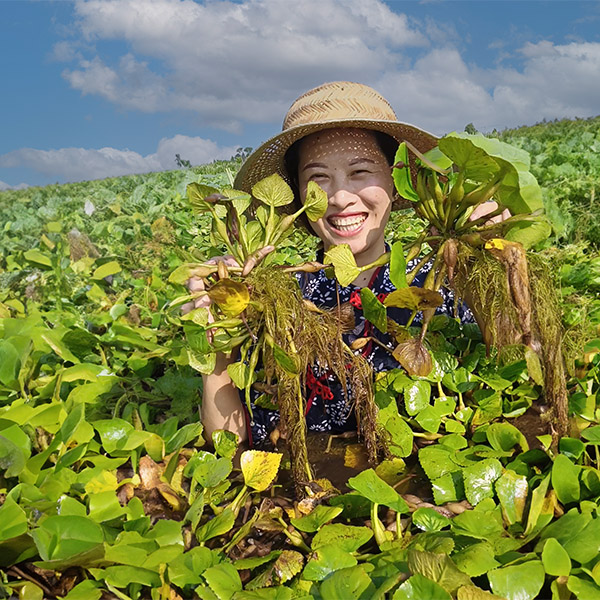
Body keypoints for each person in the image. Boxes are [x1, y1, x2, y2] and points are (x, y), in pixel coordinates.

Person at [191, 81, 501, 447]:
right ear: (298, 195)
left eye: (360, 172)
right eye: (318, 178)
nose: (339, 197)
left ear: (395, 179)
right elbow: (231, 446)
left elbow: (516, 379)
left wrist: (492, 274)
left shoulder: (439, 284)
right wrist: (216, 343)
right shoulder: (274, 300)